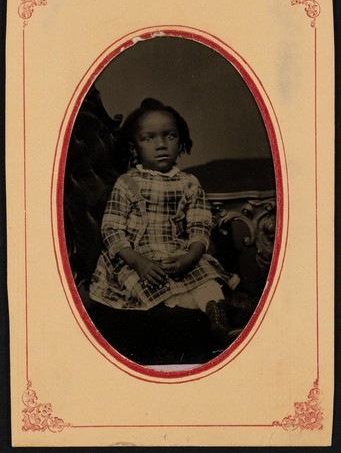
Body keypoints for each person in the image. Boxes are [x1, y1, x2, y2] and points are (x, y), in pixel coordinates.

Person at [89, 98, 242, 344]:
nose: (160, 144)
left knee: (204, 273)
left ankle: (216, 314)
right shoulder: (127, 183)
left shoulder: (189, 183)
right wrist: (138, 262)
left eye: (169, 136)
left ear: (181, 142)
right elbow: (111, 229)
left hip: (176, 254)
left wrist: (190, 257)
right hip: (140, 257)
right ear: (134, 147)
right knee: (150, 284)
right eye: (148, 139)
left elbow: (199, 225)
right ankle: (211, 310)